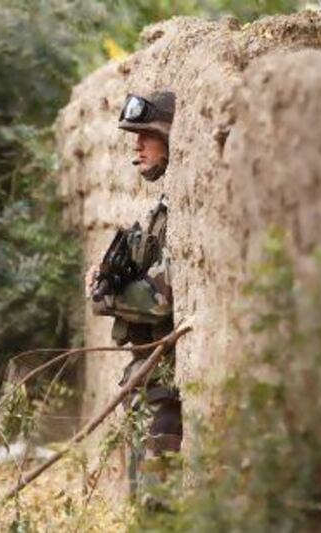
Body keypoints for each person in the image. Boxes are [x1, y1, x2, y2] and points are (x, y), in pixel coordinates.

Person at [85, 90, 181, 501]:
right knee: (144, 503)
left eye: (147, 135)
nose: (137, 146)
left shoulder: (181, 214)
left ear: (171, 138)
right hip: (145, 377)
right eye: (133, 136)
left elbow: (162, 298)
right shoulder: (160, 209)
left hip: (164, 382)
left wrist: (106, 297)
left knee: (159, 506)